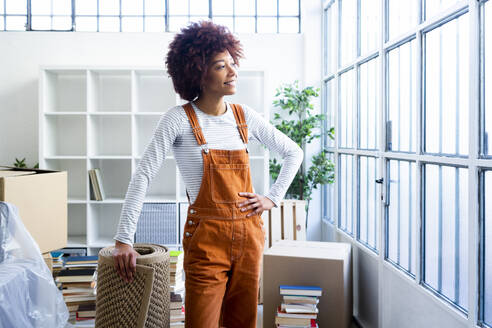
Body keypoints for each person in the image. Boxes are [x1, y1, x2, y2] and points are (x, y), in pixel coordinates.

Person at [112, 20, 303, 328]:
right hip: (206, 243)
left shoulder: (245, 118)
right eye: (220, 66)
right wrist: (123, 238)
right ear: (197, 73)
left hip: (250, 238)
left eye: (232, 63)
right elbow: (143, 175)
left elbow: (294, 152)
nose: (232, 72)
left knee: (242, 323)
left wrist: (272, 198)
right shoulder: (178, 120)